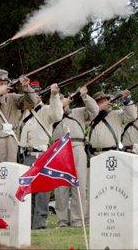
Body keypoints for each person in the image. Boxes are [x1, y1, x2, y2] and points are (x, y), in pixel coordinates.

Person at [0, 69, 38, 229]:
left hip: (10, 142)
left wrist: (26, 87)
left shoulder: (14, 98)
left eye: (5, 82)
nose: (2, 85)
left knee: (8, 182)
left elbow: (32, 103)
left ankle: (7, 219)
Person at [19, 80, 63, 229]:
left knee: (42, 192)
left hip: (41, 154)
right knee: (27, 190)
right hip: (26, 155)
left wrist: (54, 95)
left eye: (35, 92)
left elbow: (57, 115)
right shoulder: (24, 112)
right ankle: (26, 222)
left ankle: (39, 223)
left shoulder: (45, 110)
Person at [52, 87, 98, 227]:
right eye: (58, 100)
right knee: (60, 186)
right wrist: (59, 106)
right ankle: (63, 220)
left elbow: (94, 111)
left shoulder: (78, 112)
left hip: (77, 147)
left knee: (79, 183)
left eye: (61, 99)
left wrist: (85, 96)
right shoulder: (53, 115)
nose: (60, 101)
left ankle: (78, 219)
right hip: (59, 149)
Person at [88, 90, 137, 155]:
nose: (103, 103)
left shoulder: (116, 114)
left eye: (104, 101)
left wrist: (126, 100)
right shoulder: (89, 117)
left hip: (112, 154)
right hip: (93, 155)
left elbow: (132, 116)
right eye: (100, 102)